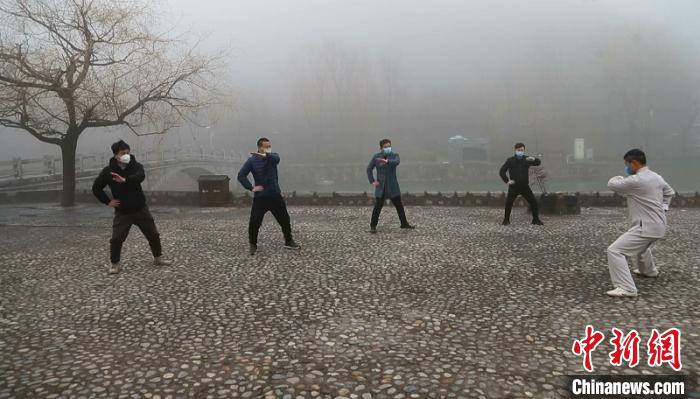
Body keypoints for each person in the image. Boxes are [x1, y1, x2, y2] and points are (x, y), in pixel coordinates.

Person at [92, 140, 172, 274]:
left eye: (128, 152)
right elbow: (96, 188)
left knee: (153, 234)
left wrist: (125, 180)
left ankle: (158, 257)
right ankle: (115, 264)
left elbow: (140, 176)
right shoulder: (108, 171)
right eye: (123, 153)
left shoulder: (136, 166)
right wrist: (107, 201)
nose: (126, 155)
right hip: (123, 211)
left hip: (140, 208)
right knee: (116, 239)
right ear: (116, 155)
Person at [605, 149, 674, 297]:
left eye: (626, 165)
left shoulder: (636, 180)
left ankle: (627, 288)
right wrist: (663, 207)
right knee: (642, 246)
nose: (626, 168)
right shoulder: (657, 177)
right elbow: (669, 192)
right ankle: (648, 271)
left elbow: (612, 184)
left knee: (615, 251)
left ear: (634, 163)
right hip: (658, 225)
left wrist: (618, 176)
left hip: (646, 227)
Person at [237, 137, 300, 255]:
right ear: (259, 147)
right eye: (266, 147)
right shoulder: (251, 161)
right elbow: (241, 175)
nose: (268, 148)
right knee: (254, 221)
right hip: (260, 197)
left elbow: (277, 158)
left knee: (284, 219)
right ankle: (253, 245)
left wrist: (266, 155)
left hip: (275, 195)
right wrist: (251, 187)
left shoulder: (272, 158)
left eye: (269, 146)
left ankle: (289, 241)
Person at [366, 139, 415, 233]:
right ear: (381, 148)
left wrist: (387, 161)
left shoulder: (394, 155)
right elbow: (369, 169)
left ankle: (404, 224)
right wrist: (372, 181)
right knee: (377, 207)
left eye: (389, 146)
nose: (388, 148)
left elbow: (397, 162)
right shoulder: (376, 157)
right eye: (385, 147)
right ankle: (373, 226)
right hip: (381, 187)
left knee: (399, 206)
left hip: (393, 187)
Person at [499, 142, 544, 226]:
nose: (520, 151)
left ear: (524, 150)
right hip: (514, 187)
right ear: (515, 150)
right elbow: (502, 171)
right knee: (508, 203)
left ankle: (535, 219)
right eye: (519, 150)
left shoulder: (527, 159)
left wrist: (534, 159)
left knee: (534, 202)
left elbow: (538, 163)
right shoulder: (510, 160)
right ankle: (506, 220)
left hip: (524, 187)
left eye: (522, 150)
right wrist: (507, 181)